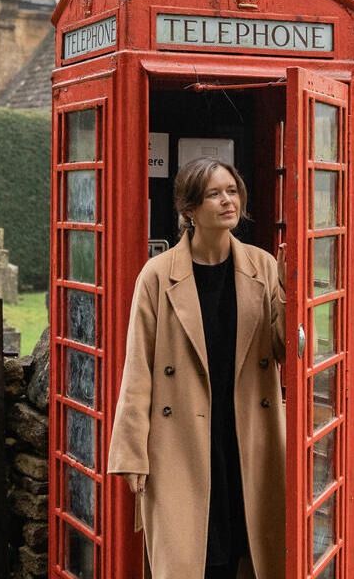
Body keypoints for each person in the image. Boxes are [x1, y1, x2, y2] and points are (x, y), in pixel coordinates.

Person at [107, 157, 286, 579]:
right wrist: (132, 452)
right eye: (214, 193)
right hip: (183, 438)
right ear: (189, 209)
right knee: (197, 555)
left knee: (248, 550)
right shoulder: (157, 275)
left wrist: (291, 289)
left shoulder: (263, 266)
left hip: (247, 433)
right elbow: (139, 368)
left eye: (232, 190)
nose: (228, 201)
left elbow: (283, 349)